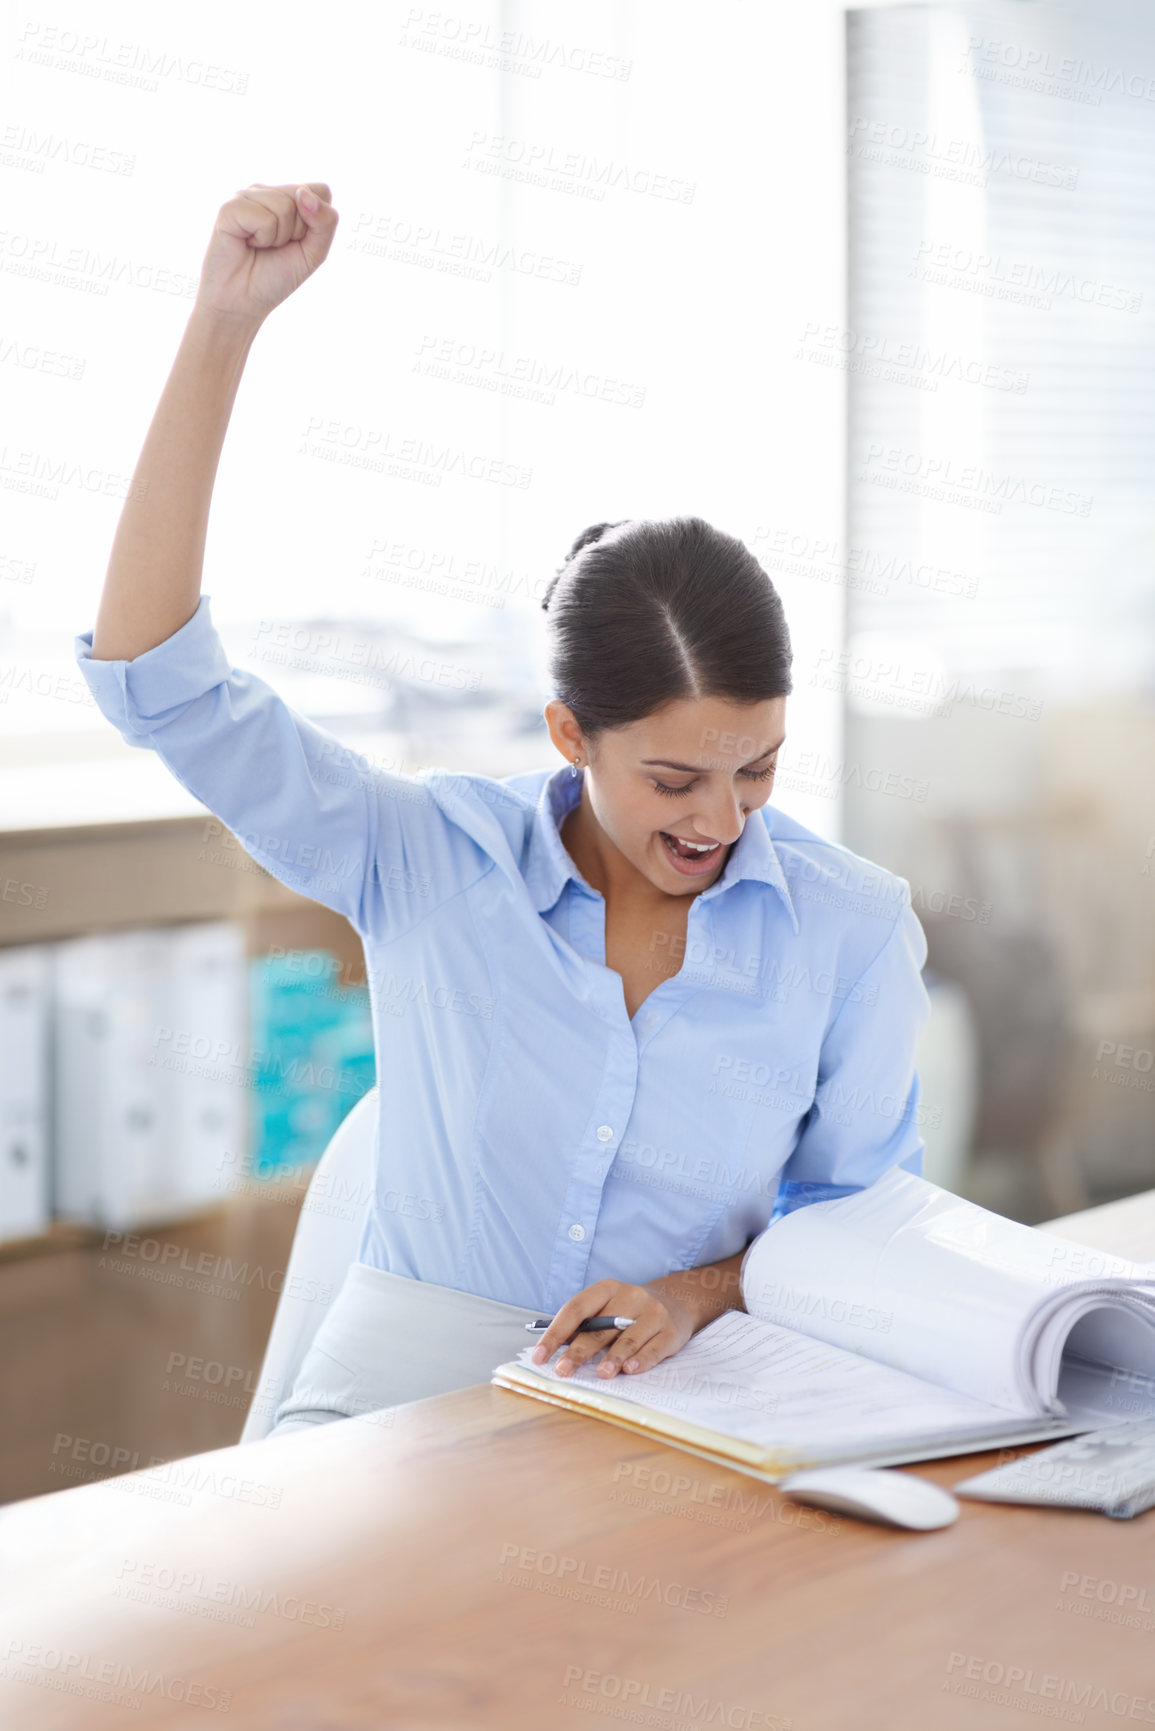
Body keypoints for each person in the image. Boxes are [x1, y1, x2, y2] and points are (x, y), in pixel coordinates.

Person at [76, 183, 931, 1436]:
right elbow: (159, 684)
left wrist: (694, 1295)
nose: (724, 820)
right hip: (395, 1402)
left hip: (687, 1399)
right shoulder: (426, 857)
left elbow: (859, 1229)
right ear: (569, 735)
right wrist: (223, 327)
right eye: (674, 780)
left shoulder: (849, 928)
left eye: (758, 767)